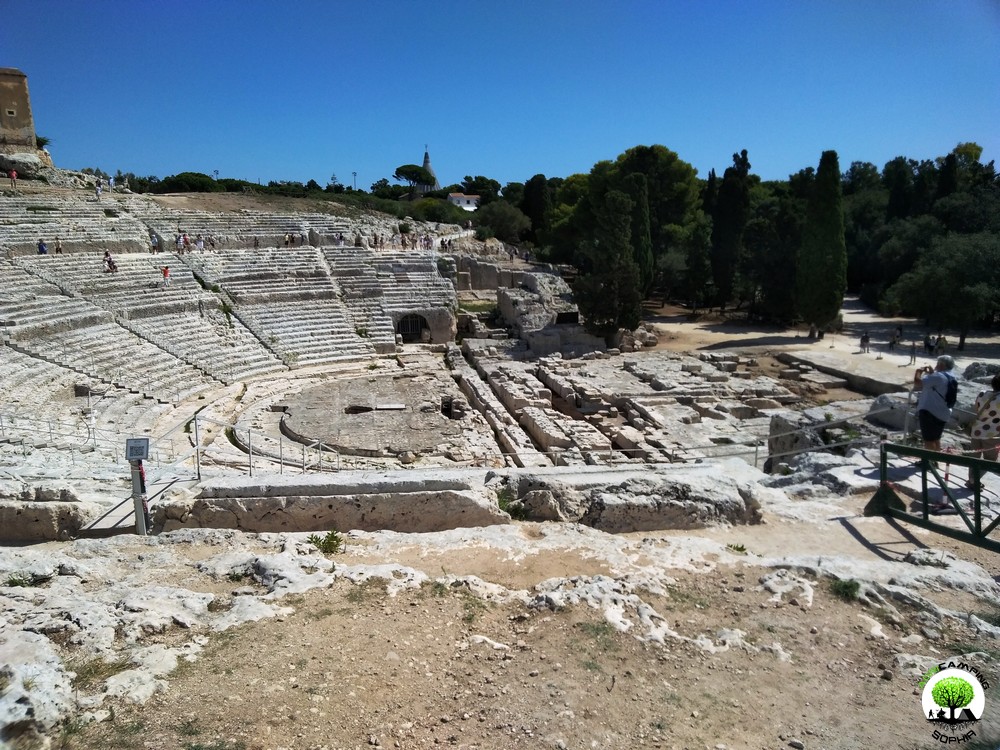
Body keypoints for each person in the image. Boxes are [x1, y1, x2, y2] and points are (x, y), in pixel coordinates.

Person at [913, 355, 956, 452]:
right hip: (943, 412)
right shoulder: (951, 376)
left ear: (941, 364)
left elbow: (918, 383)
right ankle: (936, 460)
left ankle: (928, 462)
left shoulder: (938, 376)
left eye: (938, 363)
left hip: (930, 411)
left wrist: (918, 372)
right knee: (936, 439)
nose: (936, 365)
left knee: (928, 440)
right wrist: (932, 373)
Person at [968, 373, 1000, 488]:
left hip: (976, 430)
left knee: (974, 457)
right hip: (993, 434)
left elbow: (977, 409)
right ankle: (973, 480)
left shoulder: (982, 393)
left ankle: (972, 481)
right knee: (990, 460)